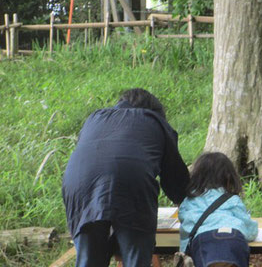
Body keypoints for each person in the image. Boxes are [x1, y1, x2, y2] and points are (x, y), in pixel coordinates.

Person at [62, 88, 190, 267]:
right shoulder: (154, 120)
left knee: (89, 260)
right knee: (135, 257)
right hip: (130, 183)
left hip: (78, 185)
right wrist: (187, 204)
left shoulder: (94, 118)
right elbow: (176, 180)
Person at [178, 152, 258, 267]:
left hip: (204, 241)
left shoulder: (190, 200)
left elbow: (186, 230)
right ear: (229, 177)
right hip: (234, 239)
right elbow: (251, 231)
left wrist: (184, 251)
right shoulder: (232, 199)